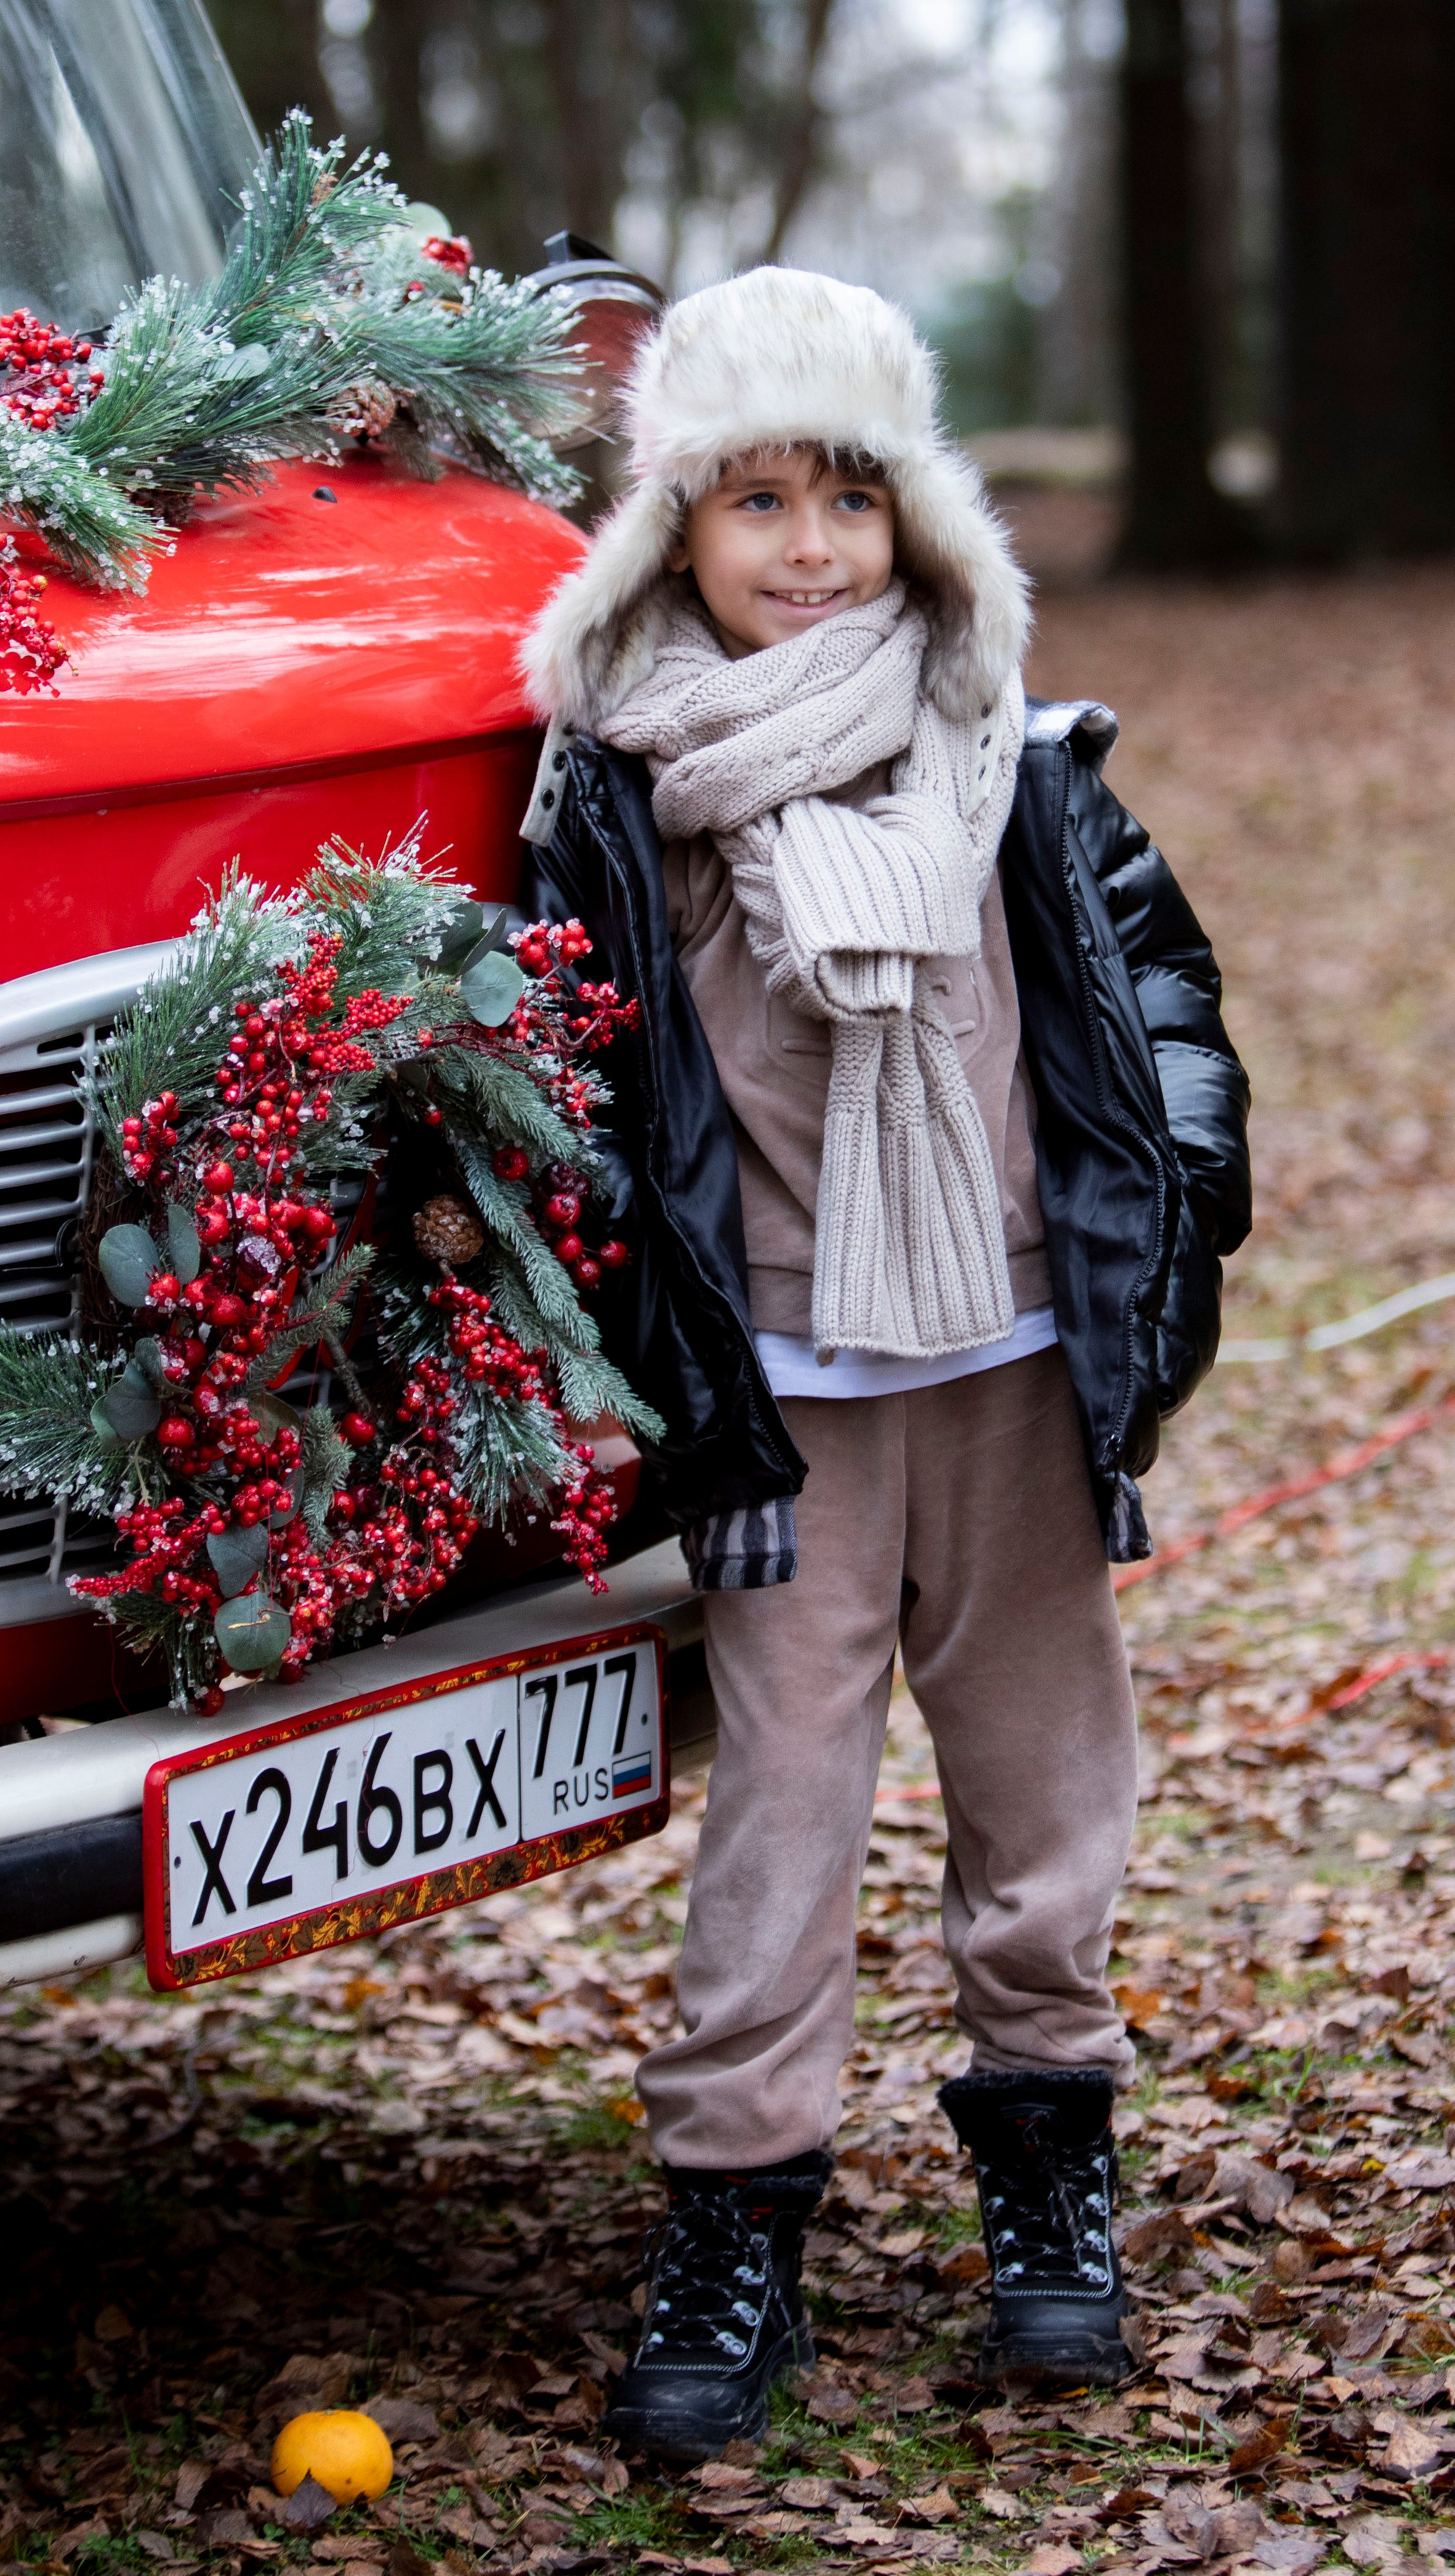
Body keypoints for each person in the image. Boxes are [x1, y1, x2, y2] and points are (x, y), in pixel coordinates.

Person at [517, 266, 1251, 2461]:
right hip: (790, 1402)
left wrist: (1175, 1229)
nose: (812, 542)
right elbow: (578, 1102)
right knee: (785, 1811)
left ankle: (1051, 2180)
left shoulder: (1007, 757)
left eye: (851, 491)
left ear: (919, 516)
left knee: (1047, 1795)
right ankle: (735, 2210)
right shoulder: (624, 800)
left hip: (1018, 1366)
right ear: (675, 532)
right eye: (756, 499)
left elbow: (1162, 1016)